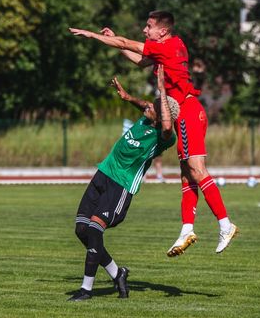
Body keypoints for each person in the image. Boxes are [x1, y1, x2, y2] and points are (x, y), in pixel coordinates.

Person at [69, 11, 239, 257]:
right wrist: (116, 41)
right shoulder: (169, 47)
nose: (144, 30)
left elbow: (127, 43)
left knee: (197, 169)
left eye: (149, 26)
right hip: (185, 112)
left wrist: (93, 36)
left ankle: (225, 224)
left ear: (163, 31)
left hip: (188, 111)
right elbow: (139, 60)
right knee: (187, 175)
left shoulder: (166, 47)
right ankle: (187, 229)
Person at [68, 65, 179, 301]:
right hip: (103, 174)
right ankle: (118, 274)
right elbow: (145, 105)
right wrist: (127, 97)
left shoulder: (164, 137)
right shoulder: (146, 118)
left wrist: (162, 88)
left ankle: (86, 290)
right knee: (82, 230)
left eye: (153, 107)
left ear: (162, 117)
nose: (148, 107)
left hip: (121, 186)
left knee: (95, 229)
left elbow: (168, 125)